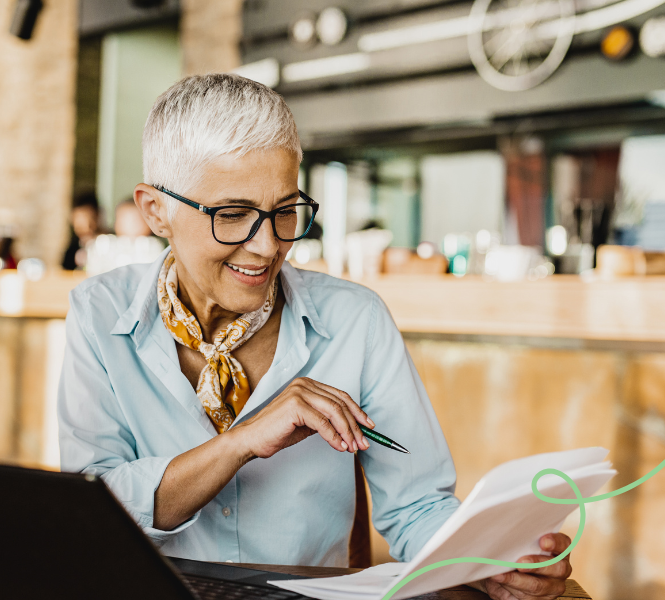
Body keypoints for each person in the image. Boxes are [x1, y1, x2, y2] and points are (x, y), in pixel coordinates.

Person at [58, 74, 572, 600]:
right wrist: (241, 443)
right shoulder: (99, 314)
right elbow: (92, 512)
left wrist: (486, 559)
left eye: (284, 212)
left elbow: (417, 507)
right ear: (154, 211)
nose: (266, 246)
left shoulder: (356, 320)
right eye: (232, 215)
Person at [62, 190, 101, 270]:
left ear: (97, 216)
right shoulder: (72, 251)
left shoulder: (112, 244)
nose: (85, 229)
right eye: (79, 226)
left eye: (90, 222)